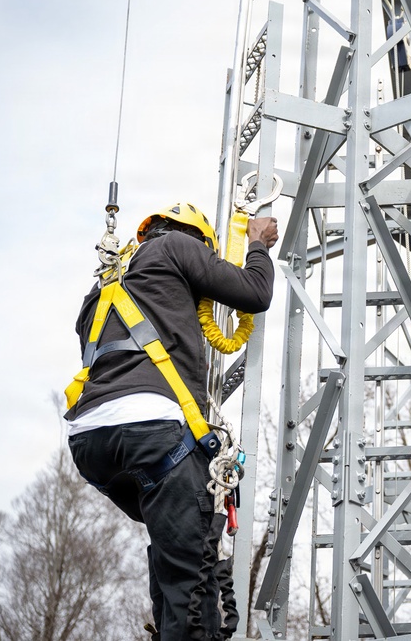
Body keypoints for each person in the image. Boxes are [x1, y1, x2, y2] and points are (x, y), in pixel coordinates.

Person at [65, 202, 279, 641]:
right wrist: (256, 244)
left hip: (90, 441)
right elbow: (255, 293)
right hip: (152, 429)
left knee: (176, 546)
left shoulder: (104, 283)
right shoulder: (178, 247)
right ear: (196, 238)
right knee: (193, 573)